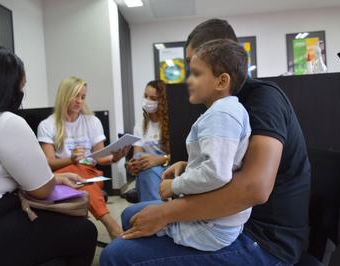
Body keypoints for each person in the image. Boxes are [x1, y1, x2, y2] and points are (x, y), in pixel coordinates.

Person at [100, 18, 310, 266]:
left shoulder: (263, 100)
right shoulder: (225, 104)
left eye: (196, 69)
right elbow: (232, 162)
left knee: (116, 255)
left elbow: (254, 188)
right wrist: (188, 165)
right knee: (131, 215)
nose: (189, 78)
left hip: (264, 238)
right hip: (231, 220)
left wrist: (167, 210)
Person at [0, 46, 97, 266]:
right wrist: (51, 179)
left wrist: (55, 177)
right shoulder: (7, 123)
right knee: (84, 231)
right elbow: (41, 190)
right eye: (21, 86)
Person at [156, 39, 251, 251]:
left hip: (210, 227)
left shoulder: (221, 114)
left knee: (135, 223)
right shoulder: (227, 111)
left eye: (196, 74)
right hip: (217, 221)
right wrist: (187, 165)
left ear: (221, 81)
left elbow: (216, 172)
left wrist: (174, 186)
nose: (189, 81)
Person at [37, 76, 129, 239]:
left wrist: (115, 158)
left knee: (80, 172)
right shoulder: (47, 125)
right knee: (74, 171)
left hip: (91, 174)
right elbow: (49, 164)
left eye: (83, 97)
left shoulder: (92, 121)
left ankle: (100, 229)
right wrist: (70, 160)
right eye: (76, 96)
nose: (80, 101)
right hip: (62, 175)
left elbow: (100, 158)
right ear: (64, 95)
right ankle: (110, 224)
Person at [126, 80, 171, 201]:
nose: (147, 101)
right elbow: (137, 154)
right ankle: (155, 210)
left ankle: (153, 211)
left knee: (148, 171)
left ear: (162, 101)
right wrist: (132, 165)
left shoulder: (172, 122)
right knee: (145, 168)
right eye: (146, 96)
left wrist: (159, 159)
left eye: (153, 98)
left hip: (169, 167)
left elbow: (181, 156)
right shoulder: (140, 125)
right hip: (147, 168)